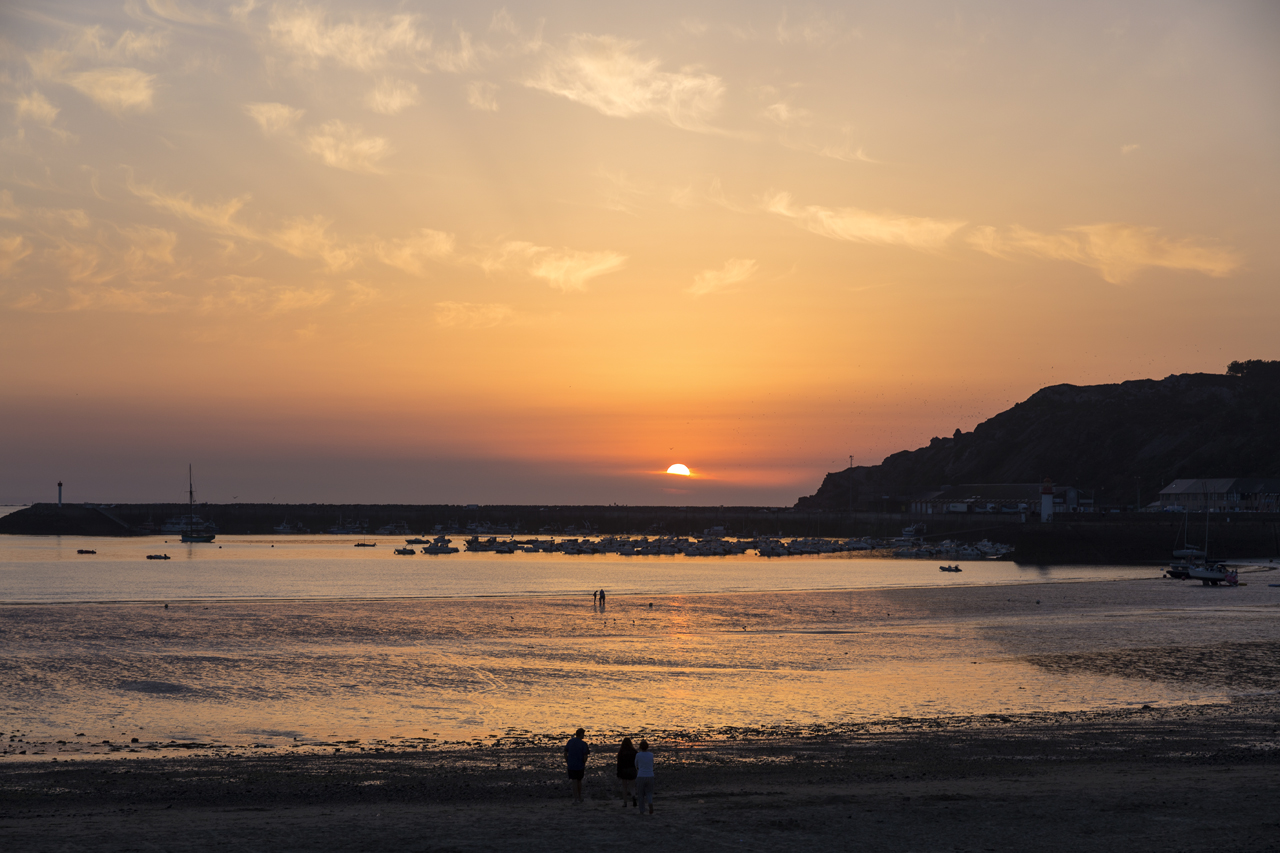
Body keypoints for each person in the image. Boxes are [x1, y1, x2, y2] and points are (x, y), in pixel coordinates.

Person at [564, 728, 591, 801]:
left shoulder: (570, 741)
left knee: (574, 781)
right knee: (579, 781)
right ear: (581, 734)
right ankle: (579, 797)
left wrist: (567, 761)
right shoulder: (583, 744)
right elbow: (585, 756)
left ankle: (575, 798)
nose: (584, 736)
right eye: (583, 734)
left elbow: (565, 752)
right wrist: (584, 763)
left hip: (571, 764)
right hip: (580, 765)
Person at [635, 739, 655, 815]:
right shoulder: (651, 755)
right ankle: (650, 803)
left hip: (641, 775)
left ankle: (642, 810)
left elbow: (635, 764)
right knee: (649, 793)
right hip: (650, 775)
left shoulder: (638, 755)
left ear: (640, 747)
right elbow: (652, 764)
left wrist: (638, 768)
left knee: (640, 794)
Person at [616, 737, 638, 807]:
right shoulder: (634, 751)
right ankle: (633, 796)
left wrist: (618, 773)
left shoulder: (621, 751)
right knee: (632, 786)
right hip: (632, 770)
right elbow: (636, 762)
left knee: (624, 787)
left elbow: (619, 763)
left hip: (624, 770)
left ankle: (625, 802)